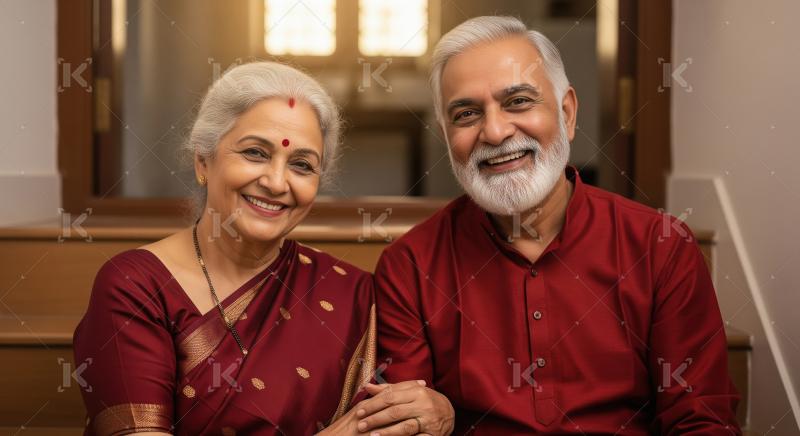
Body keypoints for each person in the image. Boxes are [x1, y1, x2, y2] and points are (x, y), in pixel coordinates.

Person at [372, 16, 741, 435]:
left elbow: (702, 421)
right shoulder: (410, 265)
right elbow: (405, 422)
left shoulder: (662, 246)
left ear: (566, 112)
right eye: (467, 113)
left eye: (518, 102)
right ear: (446, 136)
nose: (494, 132)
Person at [73, 61, 450, 435]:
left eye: (302, 165)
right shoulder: (135, 287)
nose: (275, 182)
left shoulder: (351, 293)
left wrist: (441, 408)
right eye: (255, 153)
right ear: (203, 160)